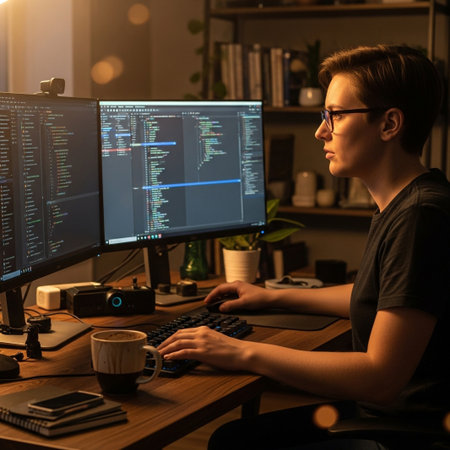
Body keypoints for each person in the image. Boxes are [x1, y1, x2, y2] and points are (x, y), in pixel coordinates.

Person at [158, 44, 450, 449]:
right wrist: (273, 296)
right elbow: (385, 298)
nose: (321, 131)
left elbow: (380, 377)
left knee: (233, 442)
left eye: (337, 115)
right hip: (389, 417)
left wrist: (239, 351)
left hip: (403, 432)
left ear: (389, 124)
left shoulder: (420, 215)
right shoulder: (409, 200)